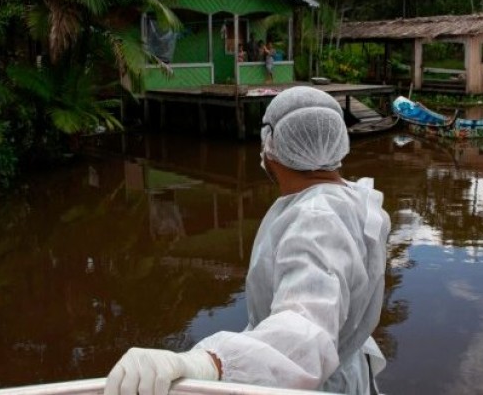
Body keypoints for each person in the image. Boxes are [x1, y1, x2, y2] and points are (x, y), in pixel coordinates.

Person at [105, 86, 391, 395]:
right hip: (343, 368)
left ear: (271, 147)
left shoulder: (316, 221)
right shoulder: (351, 197)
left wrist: (209, 363)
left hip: (306, 384)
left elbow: (306, 328)